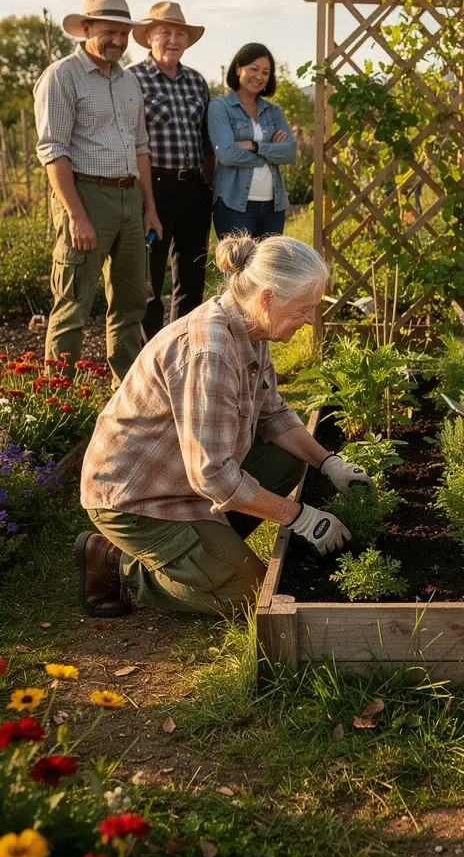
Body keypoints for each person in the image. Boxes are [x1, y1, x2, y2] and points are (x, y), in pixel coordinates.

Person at [75, 234, 374, 618]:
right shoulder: (211, 352)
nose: (311, 319)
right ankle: (116, 563)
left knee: (286, 462)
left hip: (183, 476)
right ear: (268, 298)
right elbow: (213, 475)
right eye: (304, 308)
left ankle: (209, 547)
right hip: (137, 498)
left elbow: (272, 413)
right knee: (249, 596)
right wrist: (299, 516)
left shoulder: (251, 328)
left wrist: (328, 463)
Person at [33, 0, 162, 386]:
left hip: (129, 198)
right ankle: (60, 399)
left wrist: (149, 207)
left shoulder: (128, 81)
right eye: (110, 32)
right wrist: (76, 215)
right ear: (86, 28)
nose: (118, 41)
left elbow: (140, 146)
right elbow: (53, 150)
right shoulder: (61, 77)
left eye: (124, 34)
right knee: (74, 301)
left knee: (130, 302)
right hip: (86, 196)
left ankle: (127, 393)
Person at [129, 1, 214, 341]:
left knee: (192, 276)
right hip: (153, 188)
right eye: (165, 32)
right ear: (149, 36)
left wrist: (210, 186)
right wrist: (145, 198)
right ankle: (150, 353)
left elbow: (206, 140)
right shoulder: (132, 80)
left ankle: (183, 348)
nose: (174, 40)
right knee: (149, 278)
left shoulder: (197, 82)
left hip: (193, 187)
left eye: (180, 34)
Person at [208, 43, 297, 240]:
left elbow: (290, 152)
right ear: (238, 68)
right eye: (254, 69)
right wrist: (270, 154)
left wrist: (254, 146)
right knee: (239, 261)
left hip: (273, 207)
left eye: (265, 72)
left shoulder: (274, 111)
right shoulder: (220, 107)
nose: (259, 76)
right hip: (234, 205)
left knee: (269, 261)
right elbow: (226, 154)